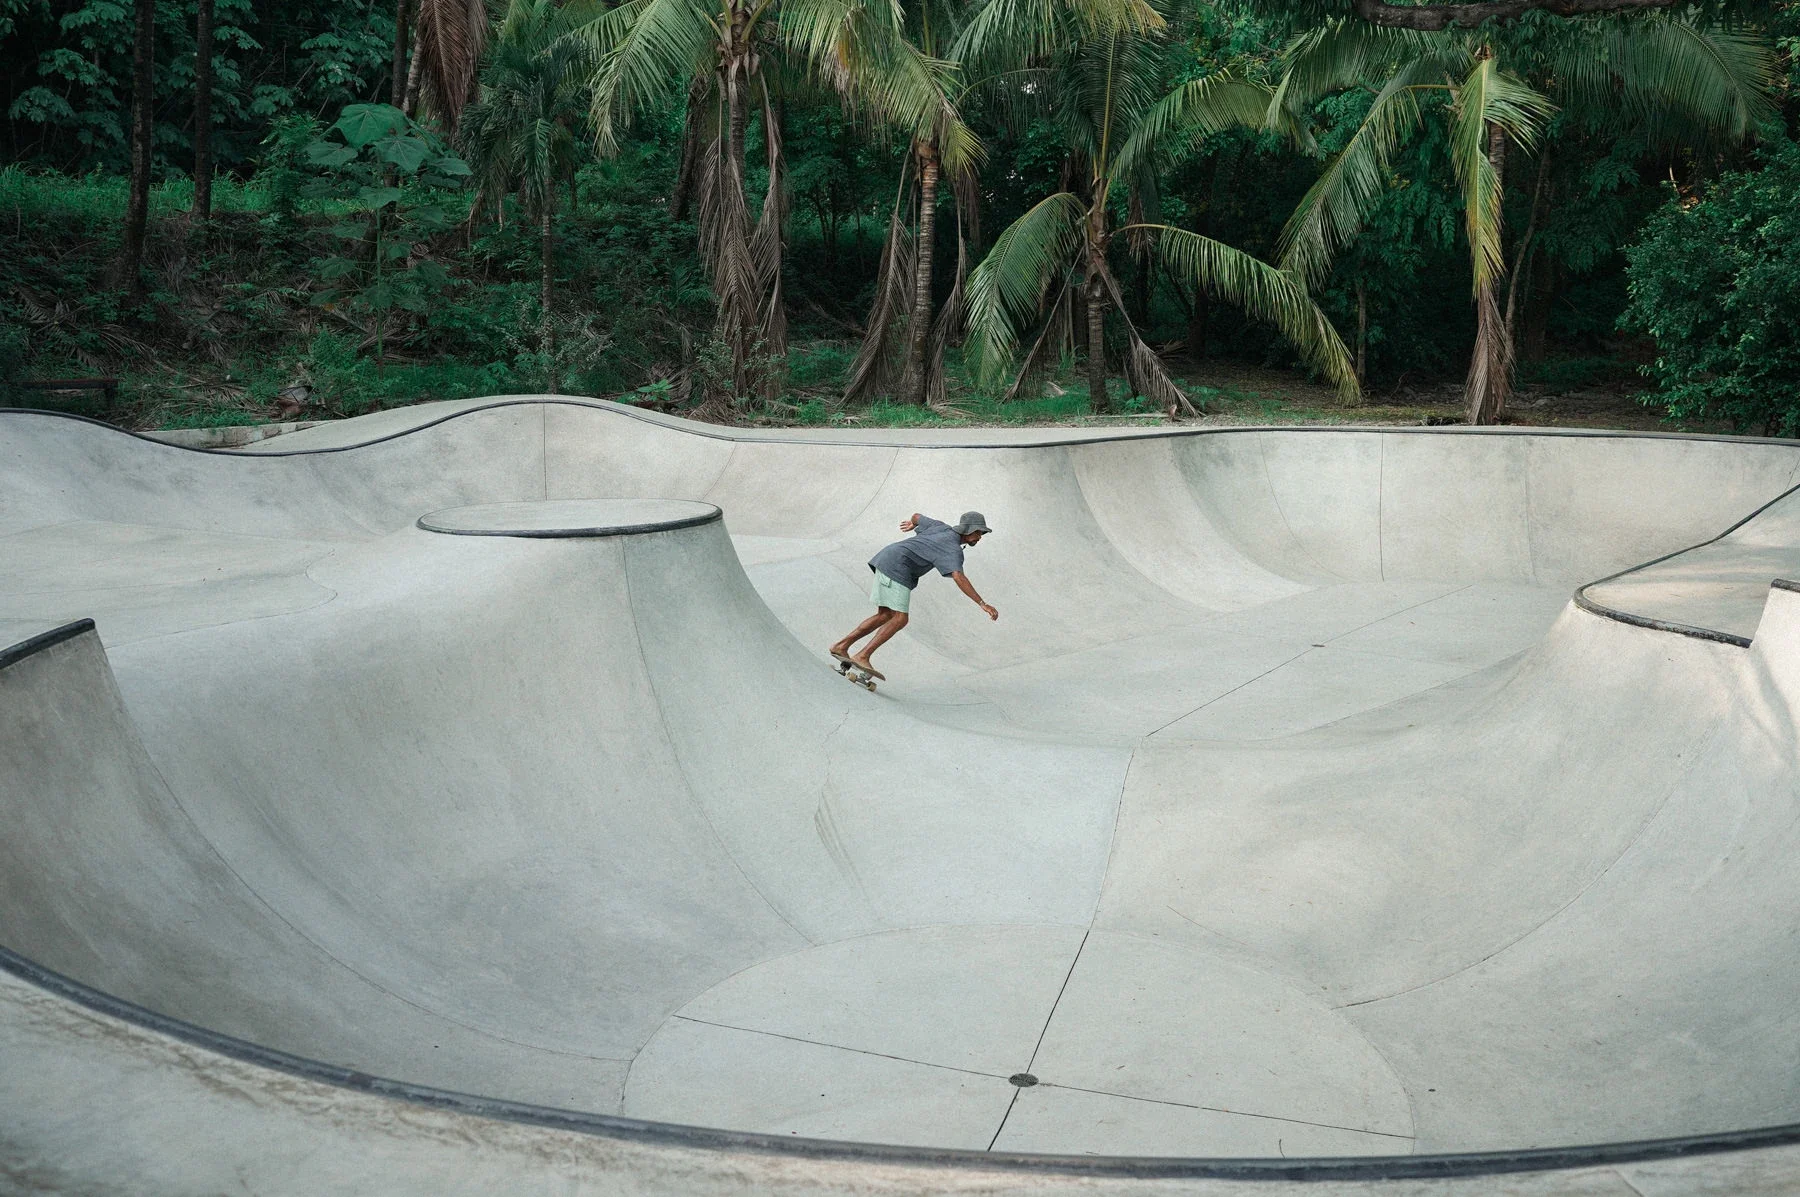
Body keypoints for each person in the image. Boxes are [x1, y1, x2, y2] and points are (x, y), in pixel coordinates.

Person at [830, 511, 998, 678]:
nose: (980, 537)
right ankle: (862, 656)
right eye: (978, 532)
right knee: (900, 618)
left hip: (887, 558)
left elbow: (917, 516)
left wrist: (913, 524)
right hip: (898, 566)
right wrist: (982, 603)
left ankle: (841, 646)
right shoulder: (953, 550)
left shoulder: (940, 526)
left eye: (981, 533)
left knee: (885, 615)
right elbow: (958, 576)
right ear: (967, 529)